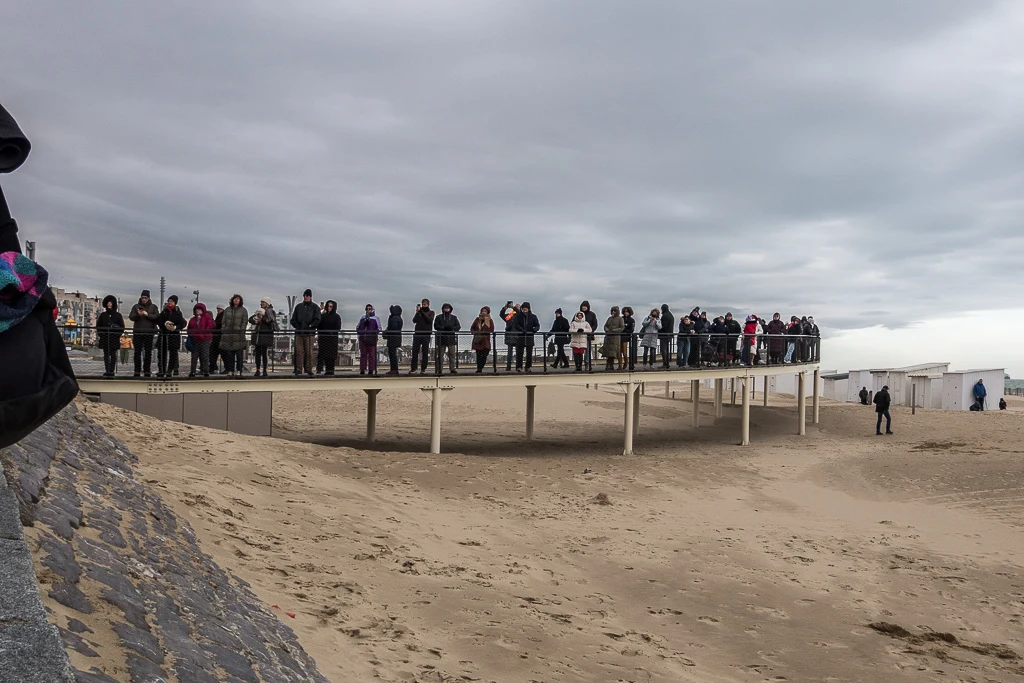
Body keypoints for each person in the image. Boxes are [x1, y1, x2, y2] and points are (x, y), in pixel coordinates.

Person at [128, 289, 159, 377]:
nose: (144, 299)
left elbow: (157, 317)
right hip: (138, 333)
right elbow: (131, 317)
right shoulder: (136, 306)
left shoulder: (153, 307)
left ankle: (147, 370)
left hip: (149, 333)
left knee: (148, 353)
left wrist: (147, 315)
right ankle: (137, 370)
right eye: (142, 297)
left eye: (145, 297)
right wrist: (138, 314)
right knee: (137, 353)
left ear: (148, 298)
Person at [291, 289, 321, 376]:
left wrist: (310, 326)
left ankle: (309, 369)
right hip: (299, 333)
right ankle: (298, 369)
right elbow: (293, 319)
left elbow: (317, 320)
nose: (305, 297)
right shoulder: (298, 307)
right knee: (299, 352)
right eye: (304, 295)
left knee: (309, 353)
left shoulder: (315, 307)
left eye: (307, 296)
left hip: (309, 334)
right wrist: (298, 326)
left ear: (310, 297)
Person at [155, 295, 186, 377]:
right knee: (161, 354)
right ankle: (162, 370)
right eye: (169, 301)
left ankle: (169, 370)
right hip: (163, 336)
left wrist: (175, 327)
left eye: (171, 301)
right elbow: (158, 321)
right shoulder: (164, 312)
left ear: (175, 303)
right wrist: (165, 324)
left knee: (173, 354)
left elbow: (183, 323)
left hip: (173, 336)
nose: (170, 303)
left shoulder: (178, 313)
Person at [219, 294, 248, 377]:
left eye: (238, 299)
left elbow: (244, 321)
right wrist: (224, 329)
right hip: (228, 335)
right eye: (235, 299)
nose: (236, 301)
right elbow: (223, 320)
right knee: (229, 355)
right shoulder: (227, 310)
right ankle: (230, 370)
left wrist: (241, 330)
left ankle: (239, 370)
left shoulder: (243, 310)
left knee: (239, 354)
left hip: (238, 336)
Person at [96, 295, 125, 378]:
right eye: (108, 303)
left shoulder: (118, 315)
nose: (109, 304)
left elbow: (122, 327)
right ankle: (107, 370)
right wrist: (102, 334)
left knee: (113, 355)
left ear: (113, 304)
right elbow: (98, 326)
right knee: (106, 355)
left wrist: (116, 335)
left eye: (111, 303)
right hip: (105, 338)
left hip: (114, 339)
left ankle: (111, 371)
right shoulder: (103, 315)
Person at [249, 297, 278, 377]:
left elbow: (271, 320)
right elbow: (250, 319)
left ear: (267, 304)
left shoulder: (271, 312)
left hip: (265, 335)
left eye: (263, 302)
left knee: (264, 353)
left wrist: (262, 318)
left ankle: (265, 370)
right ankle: (258, 369)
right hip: (258, 335)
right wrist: (256, 319)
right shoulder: (258, 312)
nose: (261, 304)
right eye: (261, 302)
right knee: (258, 353)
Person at [187, 302, 215, 377]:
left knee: (204, 355)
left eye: (199, 309)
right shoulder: (192, 319)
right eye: (196, 310)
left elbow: (210, 326)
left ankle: (205, 371)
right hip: (196, 340)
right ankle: (192, 371)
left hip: (205, 339)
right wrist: (193, 335)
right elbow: (189, 329)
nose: (197, 311)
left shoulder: (207, 317)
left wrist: (203, 334)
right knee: (194, 356)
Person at [356, 304, 382, 375]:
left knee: (371, 355)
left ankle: (371, 369)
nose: (368, 310)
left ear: (372, 310)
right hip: (362, 339)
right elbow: (357, 327)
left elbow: (379, 328)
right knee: (363, 355)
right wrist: (360, 333)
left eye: (369, 309)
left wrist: (373, 333)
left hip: (371, 339)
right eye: (367, 309)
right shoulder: (362, 318)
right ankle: (362, 369)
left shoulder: (376, 318)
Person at [410, 299, 434, 375]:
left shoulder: (431, 312)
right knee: (414, 351)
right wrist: (417, 313)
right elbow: (414, 321)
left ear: (428, 305)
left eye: (425, 304)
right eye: (422, 304)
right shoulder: (419, 313)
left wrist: (422, 313)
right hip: (417, 334)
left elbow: (429, 320)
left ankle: (423, 368)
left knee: (425, 352)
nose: (423, 306)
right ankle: (413, 368)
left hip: (426, 334)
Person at [318, 300, 342, 376]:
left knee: (331, 355)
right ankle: (325, 369)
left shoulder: (337, 317)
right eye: (328, 306)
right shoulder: (323, 316)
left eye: (331, 306)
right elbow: (319, 326)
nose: (329, 308)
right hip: (324, 338)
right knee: (324, 354)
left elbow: (338, 327)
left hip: (332, 338)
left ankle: (331, 369)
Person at [470, 306, 494, 373]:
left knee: (485, 354)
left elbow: (492, 329)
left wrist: (485, 331)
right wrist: (475, 332)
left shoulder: (489, 320)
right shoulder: (477, 319)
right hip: (478, 340)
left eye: (485, 311)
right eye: (482, 311)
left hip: (485, 340)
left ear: (487, 312)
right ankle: (479, 368)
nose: (483, 312)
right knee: (478, 354)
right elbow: (472, 328)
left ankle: (481, 366)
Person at [602, 306, 624, 371]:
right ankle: (610, 365)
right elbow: (605, 326)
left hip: (615, 338)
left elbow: (622, 328)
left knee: (616, 352)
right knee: (609, 353)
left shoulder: (620, 319)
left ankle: (620, 365)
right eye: (612, 311)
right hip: (608, 337)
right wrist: (607, 330)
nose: (613, 312)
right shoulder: (609, 318)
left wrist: (614, 330)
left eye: (615, 311)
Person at [499, 301, 519, 371]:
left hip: (517, 336)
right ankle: (508, 366)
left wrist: (513, 307)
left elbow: (519, 313)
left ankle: (518, 366)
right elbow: (501, 315)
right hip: (510, 336)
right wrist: (505, 307)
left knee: (518, 353)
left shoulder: (520, 317)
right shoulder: (509, 316)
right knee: (509, 353)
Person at [384, 305, 404, 375]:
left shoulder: (394, 318)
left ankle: (394, 369)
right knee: (393, 354)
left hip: (393, 338)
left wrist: (387, 332)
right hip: (397, 337)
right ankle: (394, 369)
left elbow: (392, 328)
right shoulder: (399, 318)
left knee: (392, 354)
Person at [580, 301, 599, 371]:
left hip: (588, 335)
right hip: (579, 336)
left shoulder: (592, 314)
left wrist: (590, 330)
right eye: (583, 306)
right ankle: (579, 364)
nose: (584, 307)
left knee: (587, 351)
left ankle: (586, 364)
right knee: (579, 351)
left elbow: (595, 324)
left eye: (585, 306)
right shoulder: (578, 314)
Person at [210, 304, 225, 373]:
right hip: (218, 338)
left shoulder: (220, 317)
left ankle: (213, 367)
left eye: (219, 309)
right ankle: (214, 367)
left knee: (214, 354)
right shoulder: (220, 316)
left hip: (218, 337)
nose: (218, 310)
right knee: (222, 354)